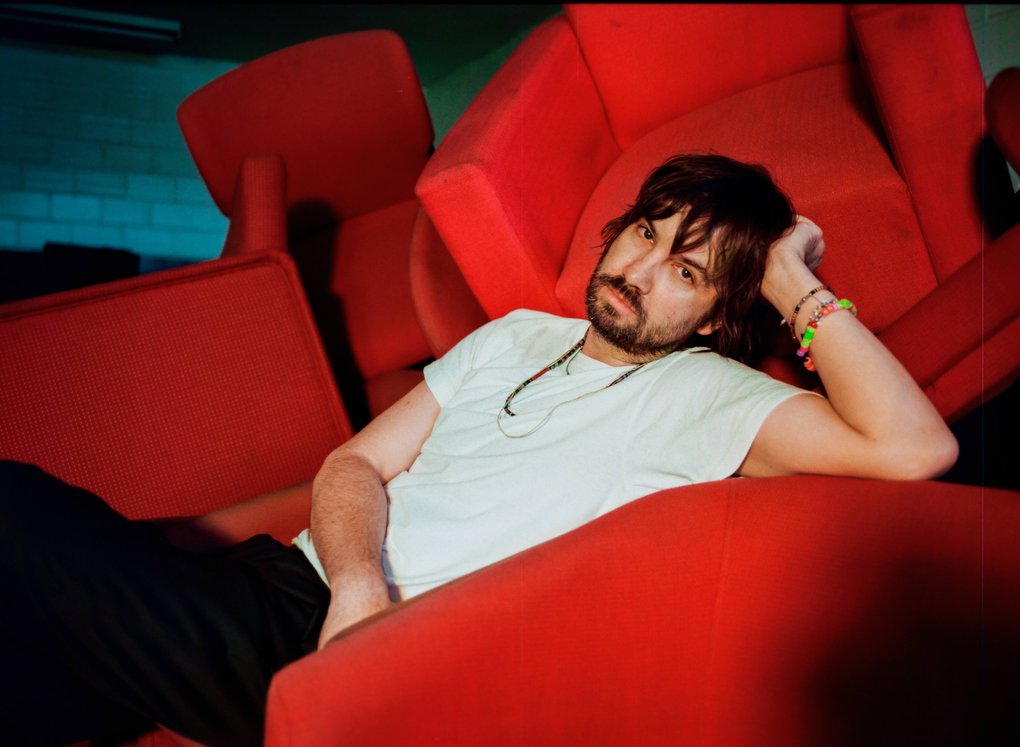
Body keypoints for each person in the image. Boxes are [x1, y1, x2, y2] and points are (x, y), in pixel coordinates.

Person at [0, 154, 958, 747]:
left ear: (717, 319)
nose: (635, 268)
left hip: (380, 663)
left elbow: (915, 447)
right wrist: (357, 585)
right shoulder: (514, 333)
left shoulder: (706, 395)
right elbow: (355, 465)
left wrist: (791, 280)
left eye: (686, 271)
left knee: (16, 511)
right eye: (645, 231)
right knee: (35, 648)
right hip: (307, 593)